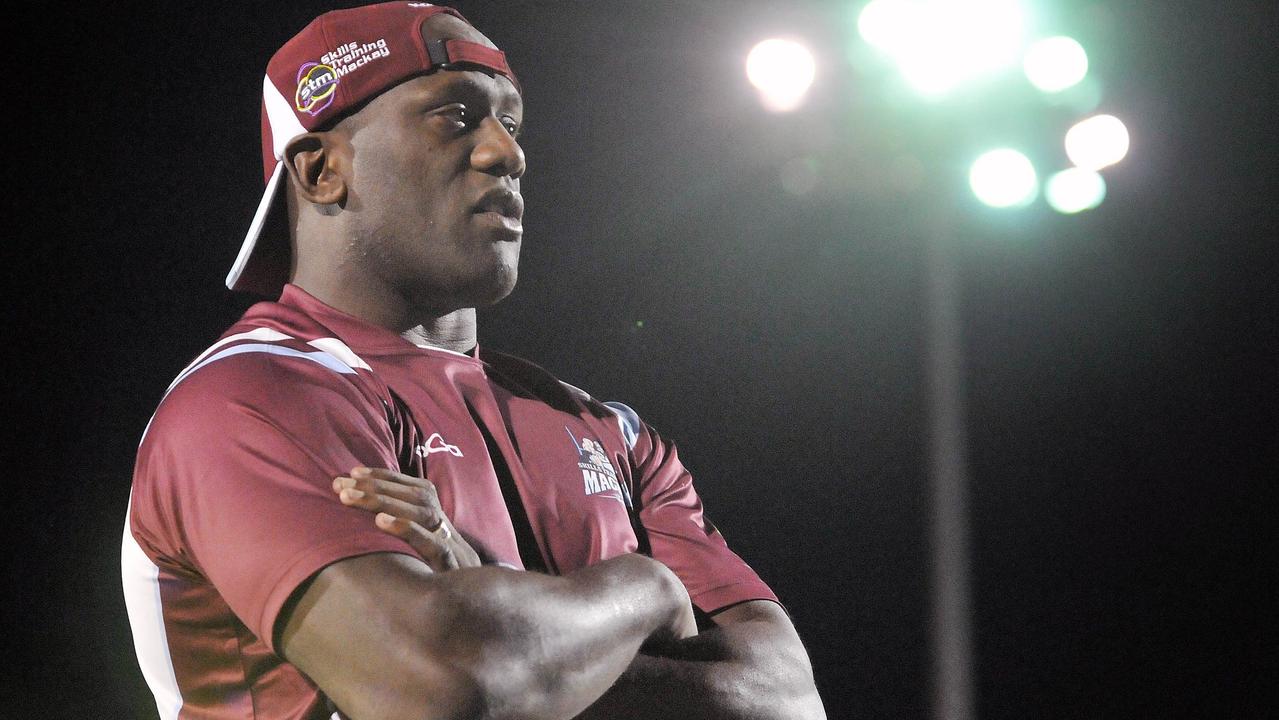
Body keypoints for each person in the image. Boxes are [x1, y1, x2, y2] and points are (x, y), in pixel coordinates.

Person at [121, 3, 826, 719]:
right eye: (455, 116)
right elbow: (439, 687)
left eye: (511, 124)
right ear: (322, 169)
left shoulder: (610, 433)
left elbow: (785, 700)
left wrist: (495, 604)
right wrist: (648, 592)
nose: (507, 153)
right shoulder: (249, 397)